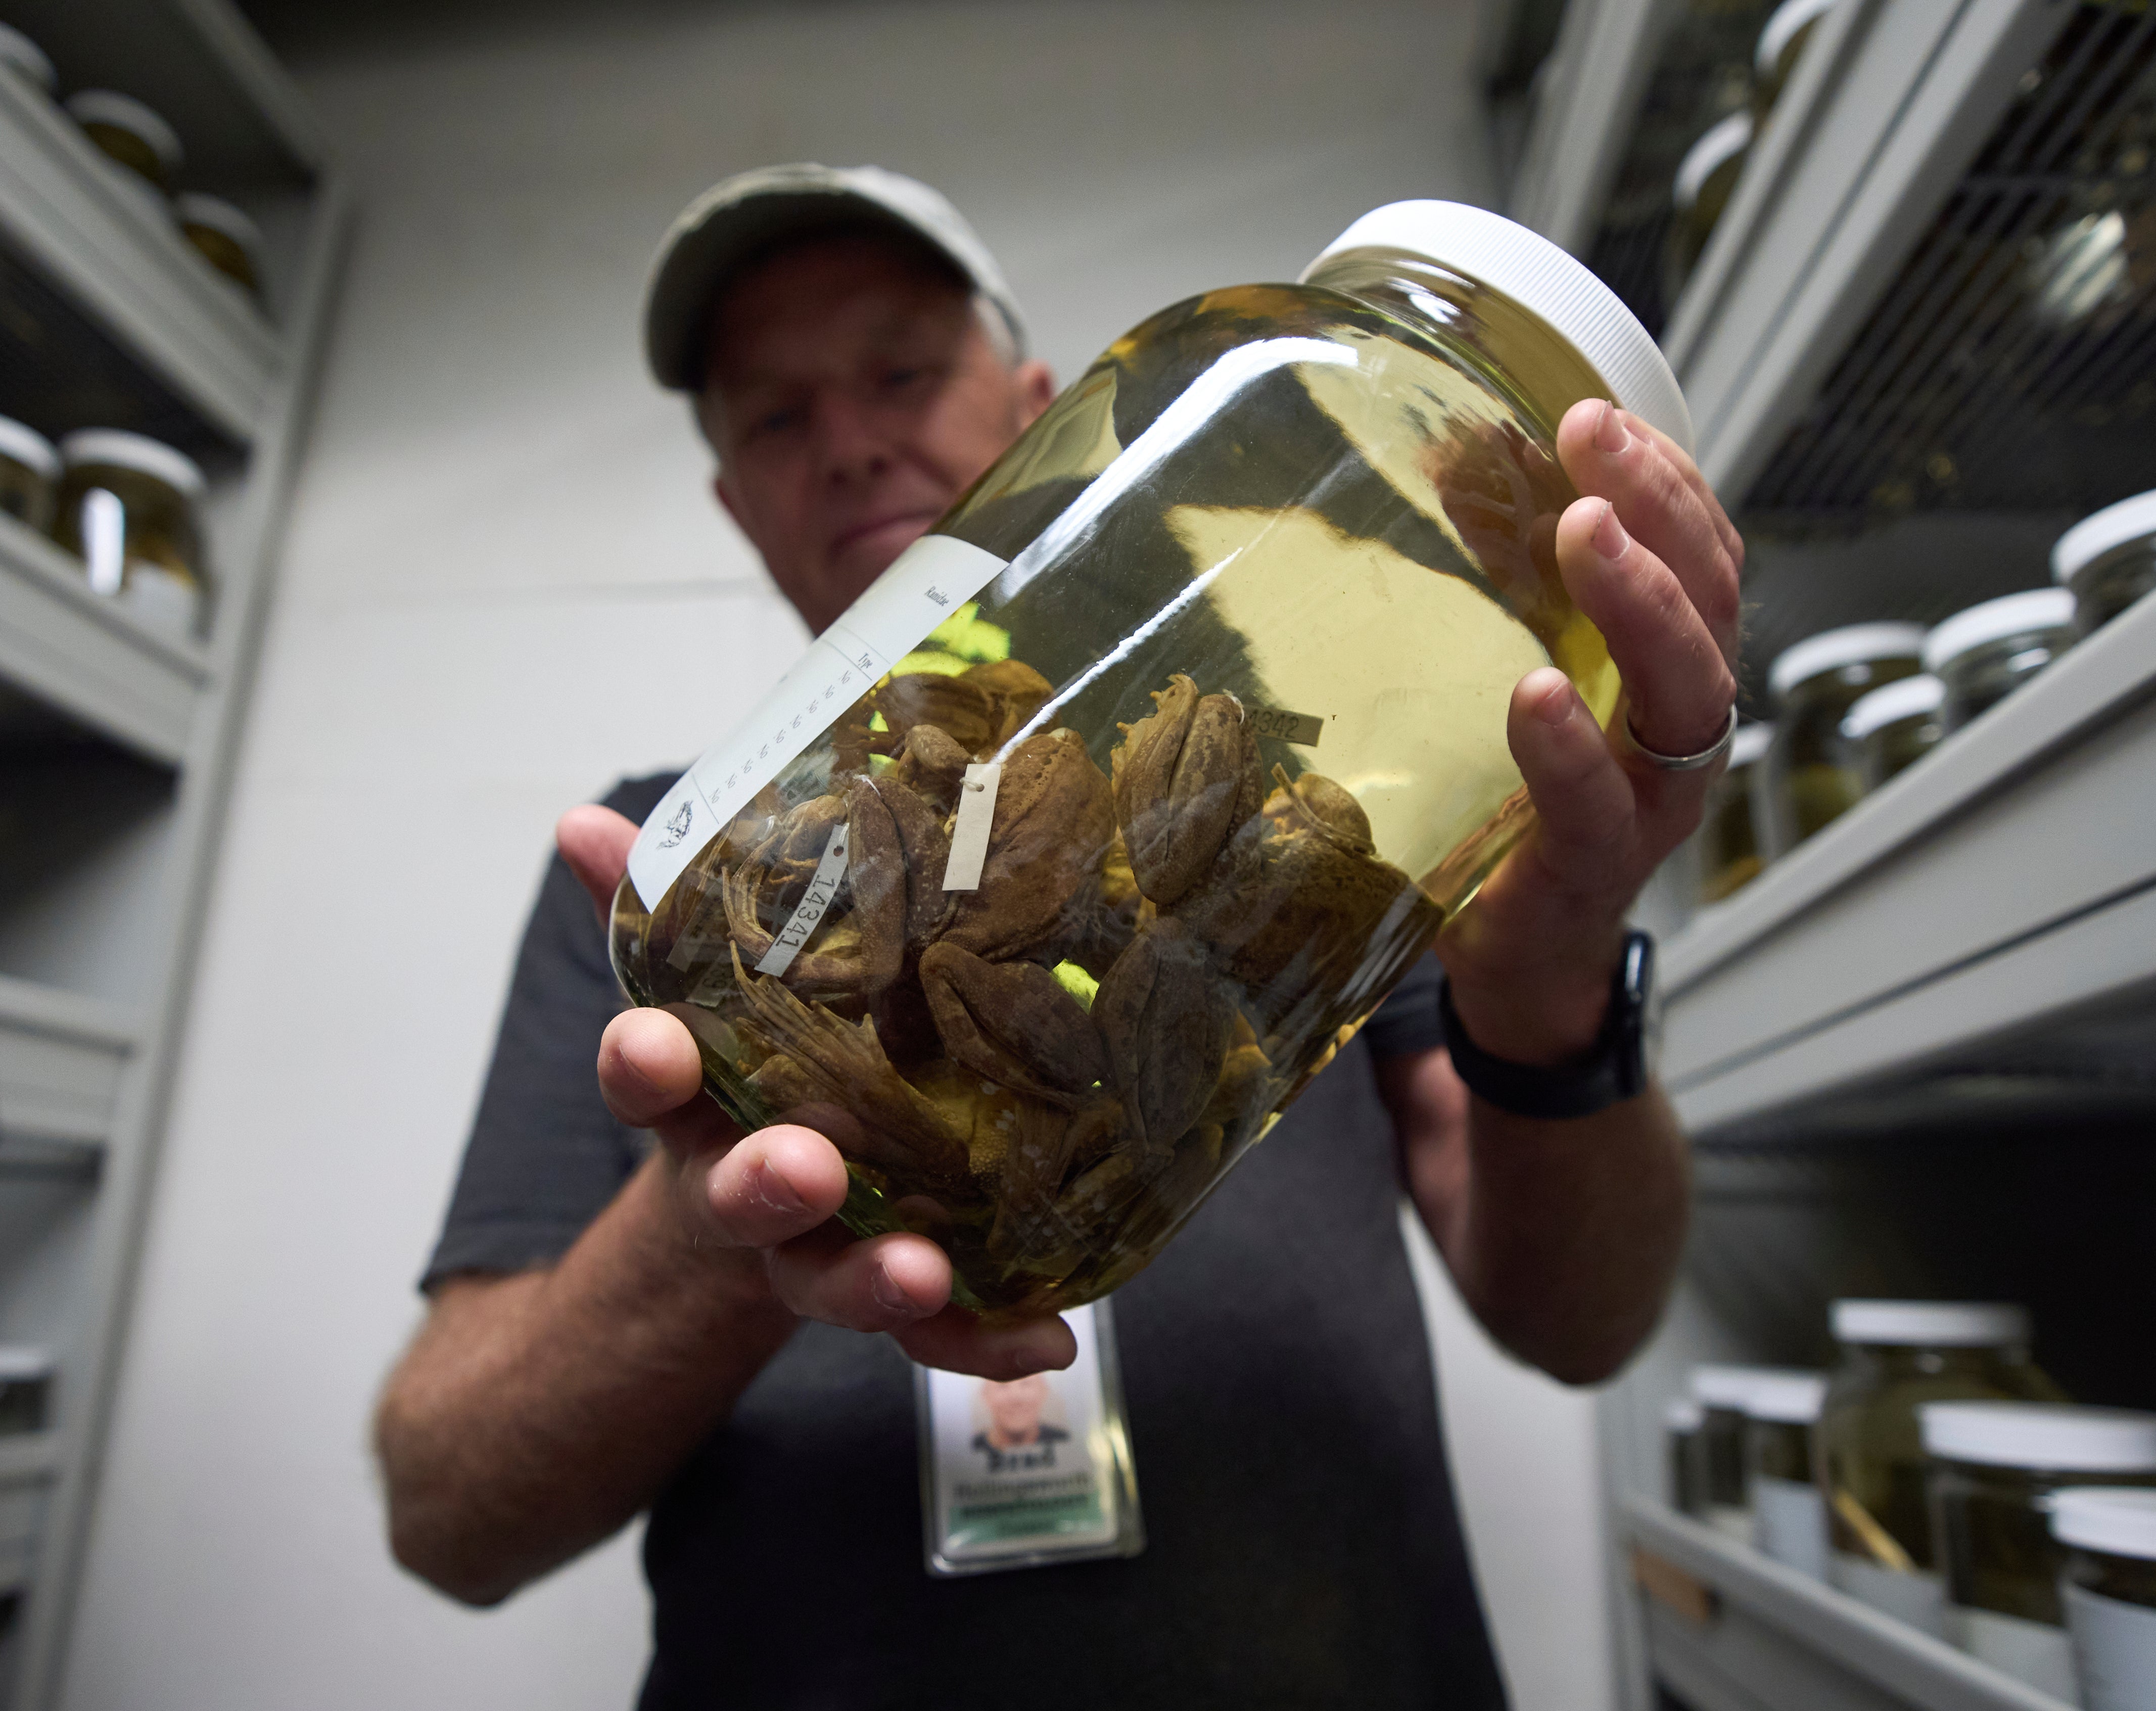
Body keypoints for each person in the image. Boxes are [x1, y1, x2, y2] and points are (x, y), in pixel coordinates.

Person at [374, 164, 1742, 1707]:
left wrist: (1553, 987)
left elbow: (1581, 1322)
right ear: (735, 507)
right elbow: (447, 1512)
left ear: (1066, 406)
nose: (849, 441)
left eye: (901, 369)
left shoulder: (1332, 826)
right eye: (775, 417)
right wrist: (725, 1222)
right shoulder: (686, 873)